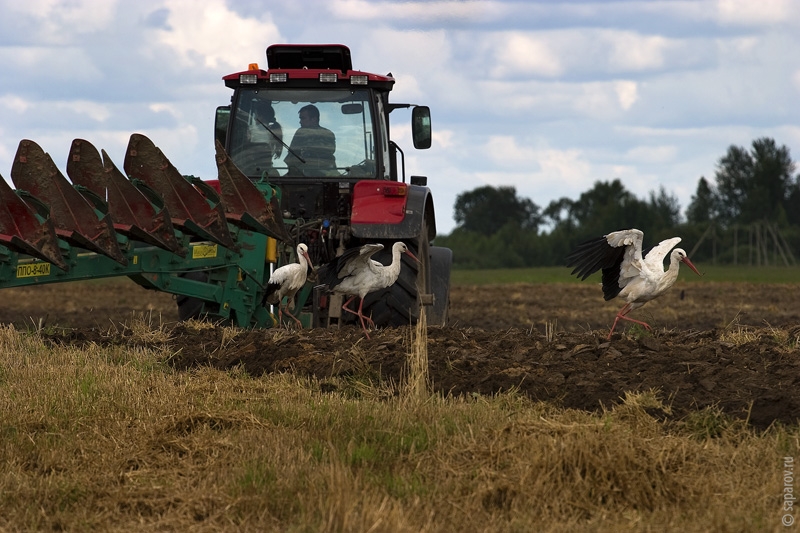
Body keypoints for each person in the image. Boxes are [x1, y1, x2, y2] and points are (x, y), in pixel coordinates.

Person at [234, 100, 283, 177]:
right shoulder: (272, 130)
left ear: (261, 117)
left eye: (255, 115)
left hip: (258, 169)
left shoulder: (259, 130)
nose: (254, 118)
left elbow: (246, 116)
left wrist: (236, 111)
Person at [284, 104, 337, 176]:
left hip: (307, 176)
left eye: (303, 118)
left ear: (314, 119)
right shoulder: (328, 133)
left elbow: (292, 157)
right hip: (327, 175)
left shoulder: (302, 132)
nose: (300, 122)